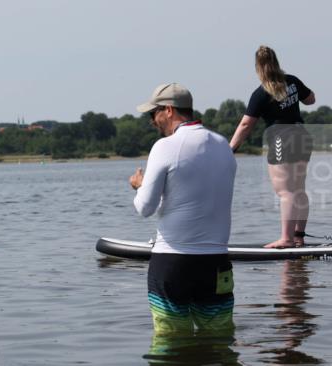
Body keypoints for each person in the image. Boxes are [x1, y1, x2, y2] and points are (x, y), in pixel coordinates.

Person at [129, 83, 237, 337]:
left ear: (168, 110)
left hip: (173, 262)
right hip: (217, 262)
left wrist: (138, 186)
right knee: (220, 341)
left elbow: (145, 207)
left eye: (152, 114)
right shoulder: (223, 145)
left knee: (171, 344)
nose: (152, 121)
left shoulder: (164, 147)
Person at [229, 46, 317, 248]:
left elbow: (245, 125)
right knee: (298, 189)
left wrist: (230, 149)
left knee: (285, 191)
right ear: (276, 62)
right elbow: (311, 99)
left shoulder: (261, 93)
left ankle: (286, 239)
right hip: (302, 135)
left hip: (280, 139)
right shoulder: (292, 81)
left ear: (258, 68)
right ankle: (298, 237)